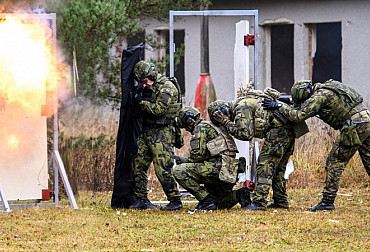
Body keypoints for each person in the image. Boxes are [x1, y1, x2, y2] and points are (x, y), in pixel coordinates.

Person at [262, 79, 370, 211]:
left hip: (354, 126)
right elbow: (307, 103)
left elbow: (298, 116)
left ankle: (327, 201)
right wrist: (284, 100)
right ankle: (327, 201)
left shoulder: (319, 97)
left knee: (334, 162)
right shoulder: (326, 88)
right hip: (365, 121)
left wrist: (278, 106)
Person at [212, 88, 300, 210]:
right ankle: (281, 201)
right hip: (286, 128)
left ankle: (259, 202)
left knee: (265, 165)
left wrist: (226, 123)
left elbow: (245, 134)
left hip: (279, 129)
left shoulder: (241, 107)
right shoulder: (243, 102)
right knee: (278, 167)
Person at [173, 105, 251, 211]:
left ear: (189, 120)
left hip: (218, 169)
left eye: (186, 126)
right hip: (229, 171)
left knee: (179, 171)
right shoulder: (212, 126)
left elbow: (197, 155)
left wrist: (184, 161)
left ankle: (206, 202)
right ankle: (240, 194)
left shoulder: (200, 128)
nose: (186, 129)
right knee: (220, 202)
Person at [129, 60, 182, 211]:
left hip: (162, 133)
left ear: (152, 75)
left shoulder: (167, 88)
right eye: (142, 82)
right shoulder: (148, 87)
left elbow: (158, 109)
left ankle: (175, 200)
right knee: (138, 163)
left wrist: (141, 103)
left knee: (162, 168)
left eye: (145, 81)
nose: (144, 85)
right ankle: (141, 199)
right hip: (147, 131)